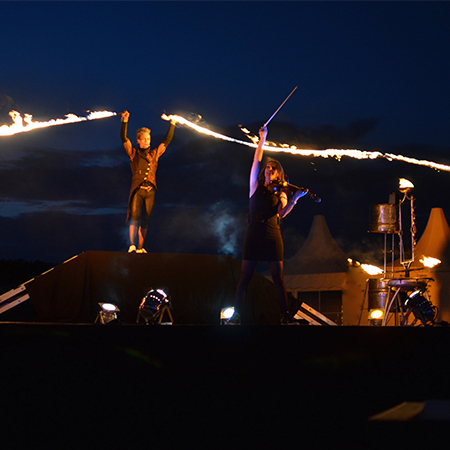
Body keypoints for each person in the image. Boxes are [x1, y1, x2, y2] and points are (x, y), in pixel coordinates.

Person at [228, 125, 307, 325]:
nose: (269, 169)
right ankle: (236, 317)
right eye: (268, 167)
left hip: (272, 232)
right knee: (245, 276)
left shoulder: (280, 191)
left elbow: (281, 213)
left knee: (278, 277)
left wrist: (294, 199)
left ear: (278, 174)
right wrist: (262, 139)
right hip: (254, 231)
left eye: (273, 168)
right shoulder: (255, 186)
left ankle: (284, 317)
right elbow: (256, 160)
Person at [120, 110, 176, 253]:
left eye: (149, 139)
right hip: (138, 190)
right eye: (144, 139)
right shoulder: (133, 153)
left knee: (145, 220)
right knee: (135, 217)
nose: (147, 141)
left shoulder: (154, 154)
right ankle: (132, 245)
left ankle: (140, 248)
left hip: (150, 192)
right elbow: (124, 138)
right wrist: (125, 122)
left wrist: (173, 124)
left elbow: (166, 141)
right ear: (138, 140)